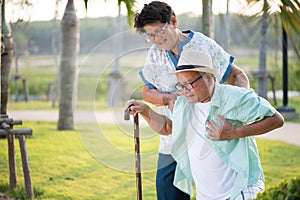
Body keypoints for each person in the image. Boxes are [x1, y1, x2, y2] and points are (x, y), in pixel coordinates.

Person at [125, 50, 284, 200]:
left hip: (239, 189)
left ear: (208, 78)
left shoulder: (234, 97)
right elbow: (168, 127)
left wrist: (234, 132)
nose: (184, 90)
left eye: (189, 83)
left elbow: (276, 119)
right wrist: (146, 111)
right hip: (206, 194)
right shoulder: (183, 103)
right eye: (180, 85)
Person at [134, 1, 249, 199]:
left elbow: (238, 76)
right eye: (150, 35)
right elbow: (147, 91)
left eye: (159, 31)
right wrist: (166, 97)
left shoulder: (202, 44)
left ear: (174, 21)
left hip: (210, 135)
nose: (156, 39)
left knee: (218, 192)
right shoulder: (154, 54)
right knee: (167, 191)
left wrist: (236, 111)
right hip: (173, 135)